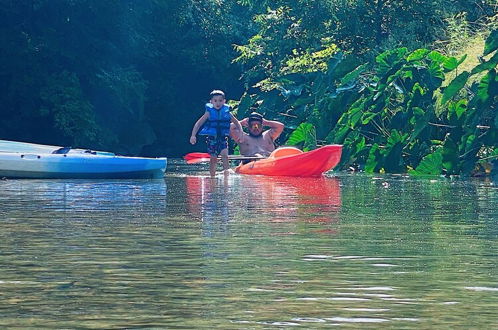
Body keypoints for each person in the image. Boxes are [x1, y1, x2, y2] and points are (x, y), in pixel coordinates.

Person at [190, 90, 242, 177]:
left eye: (220, 100)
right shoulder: (208, 113)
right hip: (212, 139)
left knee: (225, 155)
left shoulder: (227, 113)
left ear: (224, 101)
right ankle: (212, 177)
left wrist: (241, 133)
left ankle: (226, 175)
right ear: (211, 102)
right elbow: (198, 124)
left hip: (222, 138)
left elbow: (237, 123)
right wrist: (193, 135)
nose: (218, 103)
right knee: (214, 158)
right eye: (215, 101)